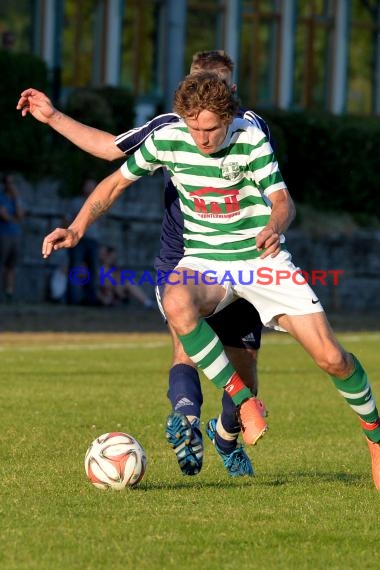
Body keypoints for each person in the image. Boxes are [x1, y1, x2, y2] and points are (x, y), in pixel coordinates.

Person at [41, 72, 380, 492]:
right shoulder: (169, 138)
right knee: (176, 301)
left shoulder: (250, 137)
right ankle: (242, 401)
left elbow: (283, 202)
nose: (202, 138)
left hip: (260, 261)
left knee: (332, 359)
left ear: (228, 118)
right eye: (194, 128)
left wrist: (273, 224)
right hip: (206, 262)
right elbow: (116, 181)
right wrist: (78, 227)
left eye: (210, 129)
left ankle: (379, 438)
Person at [17, 51, 269, 479]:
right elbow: (109, 151)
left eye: (215, 85)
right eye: (195, 85)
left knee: (245, 370)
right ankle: (185, 419)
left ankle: (225, 434)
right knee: (185, 342)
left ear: (231, 92)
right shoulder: (167, 129)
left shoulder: (251, 130)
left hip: (241, 260)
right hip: (183, 258)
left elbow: (271, 192)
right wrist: (53, 115)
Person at [67, 178, 101, 305]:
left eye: (92, 185)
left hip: (93, 240)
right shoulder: (76, 202)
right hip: (78, 239)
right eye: (88, 186)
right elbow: (67, 218)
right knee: (75, 268)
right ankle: (74, 298)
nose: (90, 188)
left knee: (93, 269)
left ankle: (91, 298)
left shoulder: (99, 201)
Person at [98, 244, 155, 309]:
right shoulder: (97, 268)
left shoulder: (114, 269)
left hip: (115, 292)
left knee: (128, 282)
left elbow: (118, 284)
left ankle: (147, 302)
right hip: (104, 294)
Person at [0, 173, 25, 302]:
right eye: (9, 183)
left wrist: (17, 199)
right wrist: (14, 219)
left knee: (11, 266)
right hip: (3, 235)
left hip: (15, 235)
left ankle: (9, 293)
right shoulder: (1, 197)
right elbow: (3, 215)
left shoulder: (16, 199)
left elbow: (20, 215)